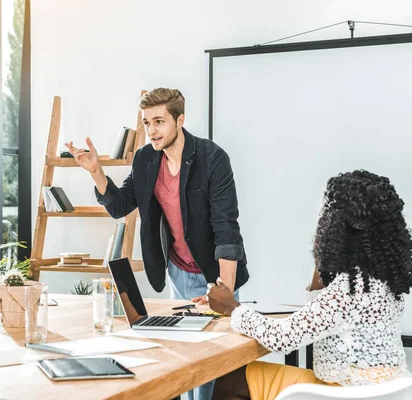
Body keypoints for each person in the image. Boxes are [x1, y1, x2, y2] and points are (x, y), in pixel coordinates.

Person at [66, 88, 249, 399]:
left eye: (160, 121)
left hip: (215, 273)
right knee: (183, 358)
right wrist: (96, 171)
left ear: (180, 120)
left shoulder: (212, 158)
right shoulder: (145, 159)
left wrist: (225, 293)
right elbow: (121, 205)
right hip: (178, 270)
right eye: (147, 122)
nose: (152, 130)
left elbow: (226, 229)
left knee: (211, 365)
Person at [208, 170, 412, 400]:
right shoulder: (382, 278)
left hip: (347, 391)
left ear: (338, 227)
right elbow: (325, 312)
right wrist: (325, 257)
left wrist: (232, 307)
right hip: (386, 389)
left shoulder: (349, 289)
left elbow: (283, 337)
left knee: (231, 379)